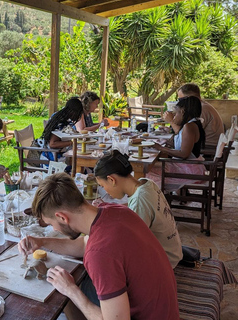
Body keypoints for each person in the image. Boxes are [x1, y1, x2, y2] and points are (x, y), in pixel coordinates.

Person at [18, 173, 179, 319]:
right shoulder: (113, 210)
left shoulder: (100, 253)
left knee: (68, 299)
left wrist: (71, 290)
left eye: (51, 224)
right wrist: (42, 242)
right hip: (164, 310)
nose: (54, 229)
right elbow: (83, 244)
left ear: (62, 217)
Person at [94, 150, 183, 268]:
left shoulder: (140, 200)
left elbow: (131, 244)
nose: (105, 191)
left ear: (111, 180)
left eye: (103, 186)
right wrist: (108, 207)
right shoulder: (146, 184)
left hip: (164, 261)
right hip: (173, 252)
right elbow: (133, 207)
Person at [148, 95, 206, 188]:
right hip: (189, 167)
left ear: (182, 112)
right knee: (153, 169)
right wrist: (170, 144)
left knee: (147, 172)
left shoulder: (189, 126)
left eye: (175, 114)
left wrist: (161, 148)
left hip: (188, 170)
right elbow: (186, 145)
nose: (174, 117)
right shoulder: (193, 123)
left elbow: (184, 154)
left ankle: (157, 199)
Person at [164, 83, 224, 147]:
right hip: (199, 146)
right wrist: (171, 128)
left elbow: (185, 135)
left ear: (190, 98)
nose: (180, 103)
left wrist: (171, 122)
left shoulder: (201, 109)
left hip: (206, 149)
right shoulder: (200, 106)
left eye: (181, 100)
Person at [37, 97, 84, 162]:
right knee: (81, 163)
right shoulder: (60, 122)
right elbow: (52, 144)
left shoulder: (61, 116)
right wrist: (72, 142)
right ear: (74, 112)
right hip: (52, 158)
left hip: (56, 154)